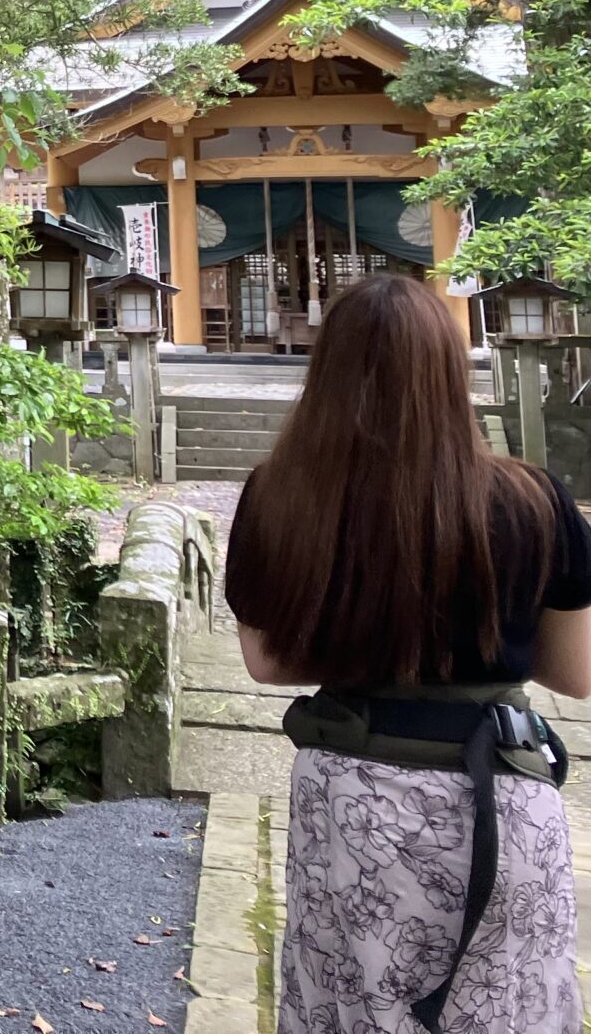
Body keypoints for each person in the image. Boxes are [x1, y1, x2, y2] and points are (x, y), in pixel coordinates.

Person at [225, 272, 591, 1034]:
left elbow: (266, 663)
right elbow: (575, 674)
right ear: (451, 371)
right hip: (502, 797)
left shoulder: (279, 497)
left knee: (352, 1008)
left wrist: (367, 642)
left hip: (352, 800)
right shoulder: (534, 500)